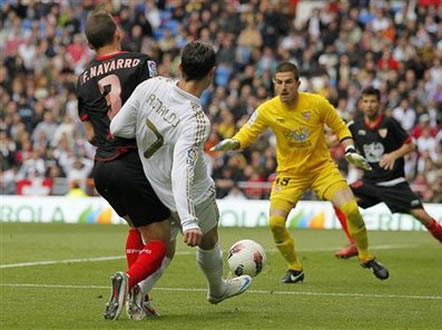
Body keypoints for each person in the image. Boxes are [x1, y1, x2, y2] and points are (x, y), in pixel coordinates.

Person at [211, 62, 389, 283]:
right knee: (275, 223)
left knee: (351, 209)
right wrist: (233, 143)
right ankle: (295, 269)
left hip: (322, 169)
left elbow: (341, 128)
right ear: (274, 84)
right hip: (290, 174)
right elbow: (246, 134)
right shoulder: (267, 109)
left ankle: (366, 256)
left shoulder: (317, 103)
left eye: (288, 82)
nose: (283, 87)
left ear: (298, 84)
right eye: (279, 82)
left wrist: (350, 148)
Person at [110, 40, 252, 309]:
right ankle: (217, 289)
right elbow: (182, 168)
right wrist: (189, 220)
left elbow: (118, 127)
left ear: (180, 66)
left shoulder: (151, 86)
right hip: (192, 194)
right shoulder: (196, 120)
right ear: (211, 74)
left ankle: (137, 289)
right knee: (209, 240)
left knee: (165, 245)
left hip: (152, 186)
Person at [76, 11, 175, 320]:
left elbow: (90, 132)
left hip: (102, 168)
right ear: (117, 33)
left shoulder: (82, 78)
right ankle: (131, 285)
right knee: (161, 240)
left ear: (90, 44)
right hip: (133, 163)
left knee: (136, 226)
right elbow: (158, 108)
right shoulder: (141, 62)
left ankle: (137, 302)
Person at [333, 87, 442, 265]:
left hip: (394, 183)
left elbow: (410, 145)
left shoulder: (389, 123)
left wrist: (393, 155)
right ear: (361, 104)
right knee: (338, 200)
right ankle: (354, 244)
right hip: (370, 182)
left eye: (372, 101)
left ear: (379, 104)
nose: (369, 105)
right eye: (366, 101)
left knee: (423, 217)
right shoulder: (355, 125)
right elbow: (333, 140)